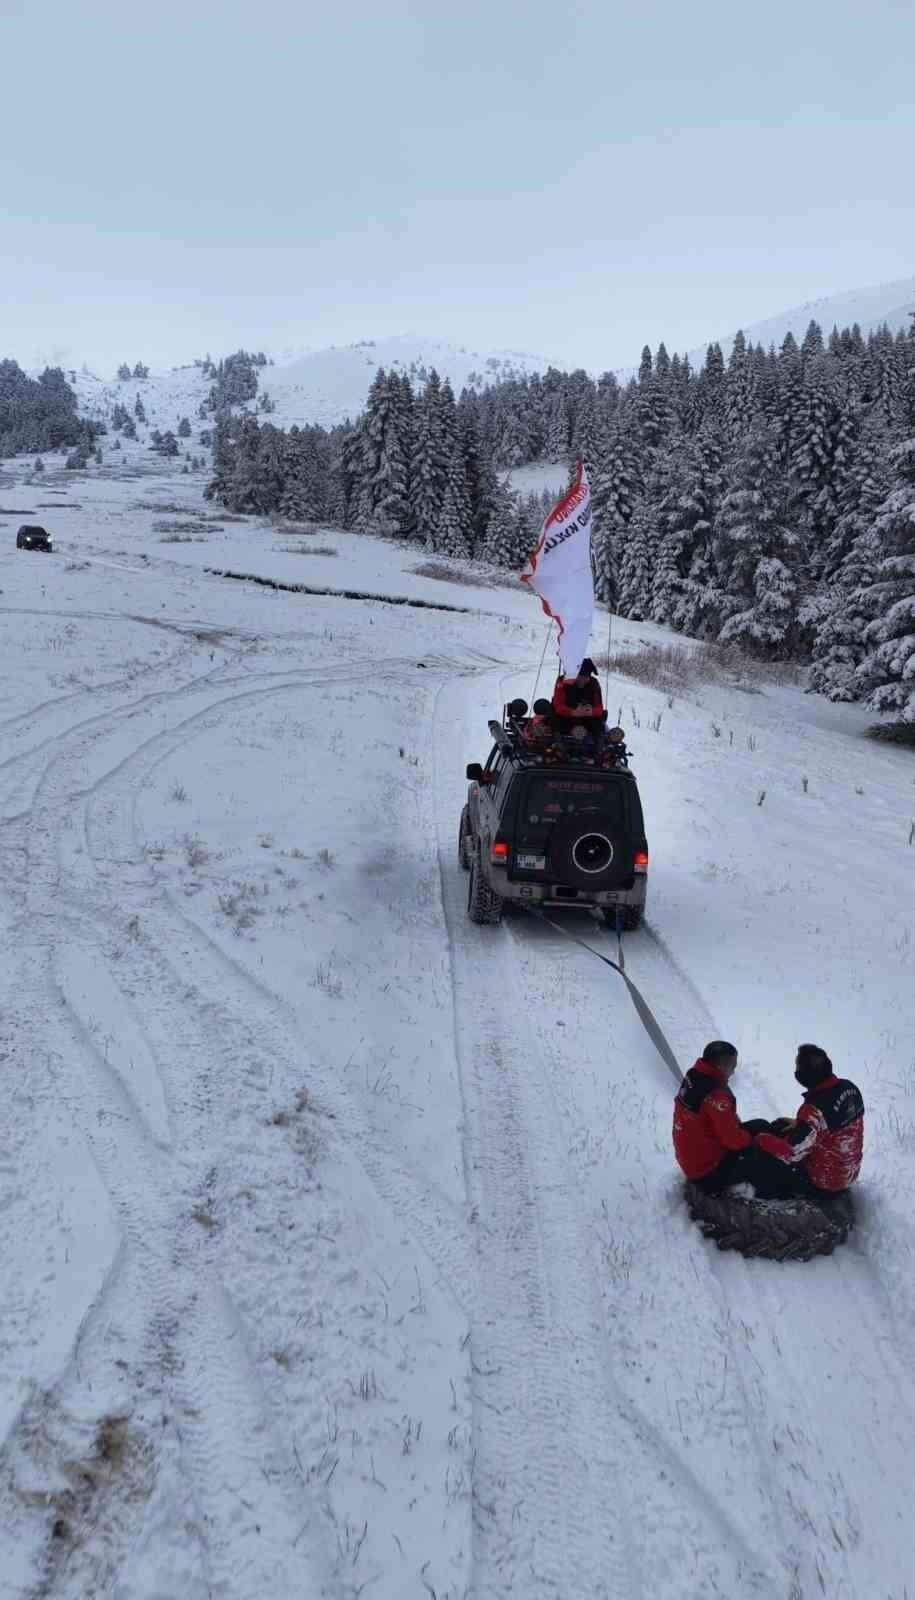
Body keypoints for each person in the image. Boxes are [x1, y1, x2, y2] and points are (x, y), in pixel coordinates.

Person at [752, 1045, 864, 1200]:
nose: (796, 1072)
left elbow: (792, 1152)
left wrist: (759, 1139)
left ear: (806, 1075)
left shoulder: (814, 1110)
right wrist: (801, 1124)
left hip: (825, 1182)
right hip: (848, 1172)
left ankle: (771, 1201)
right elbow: (835, 1124)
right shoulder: (849, 1088)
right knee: (781, 1127)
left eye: (798, 1068)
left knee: (767, 1156)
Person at [673, 1041, 764, 1192]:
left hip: (693, 1158)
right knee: (763, 1160)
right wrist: (752, 1141)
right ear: (721, 1066)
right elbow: (732, 1139)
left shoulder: (694, 1075)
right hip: (707, 1172)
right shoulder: (716, 1095)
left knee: (759, 1126)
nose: (734, 1071)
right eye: (732, 1066)